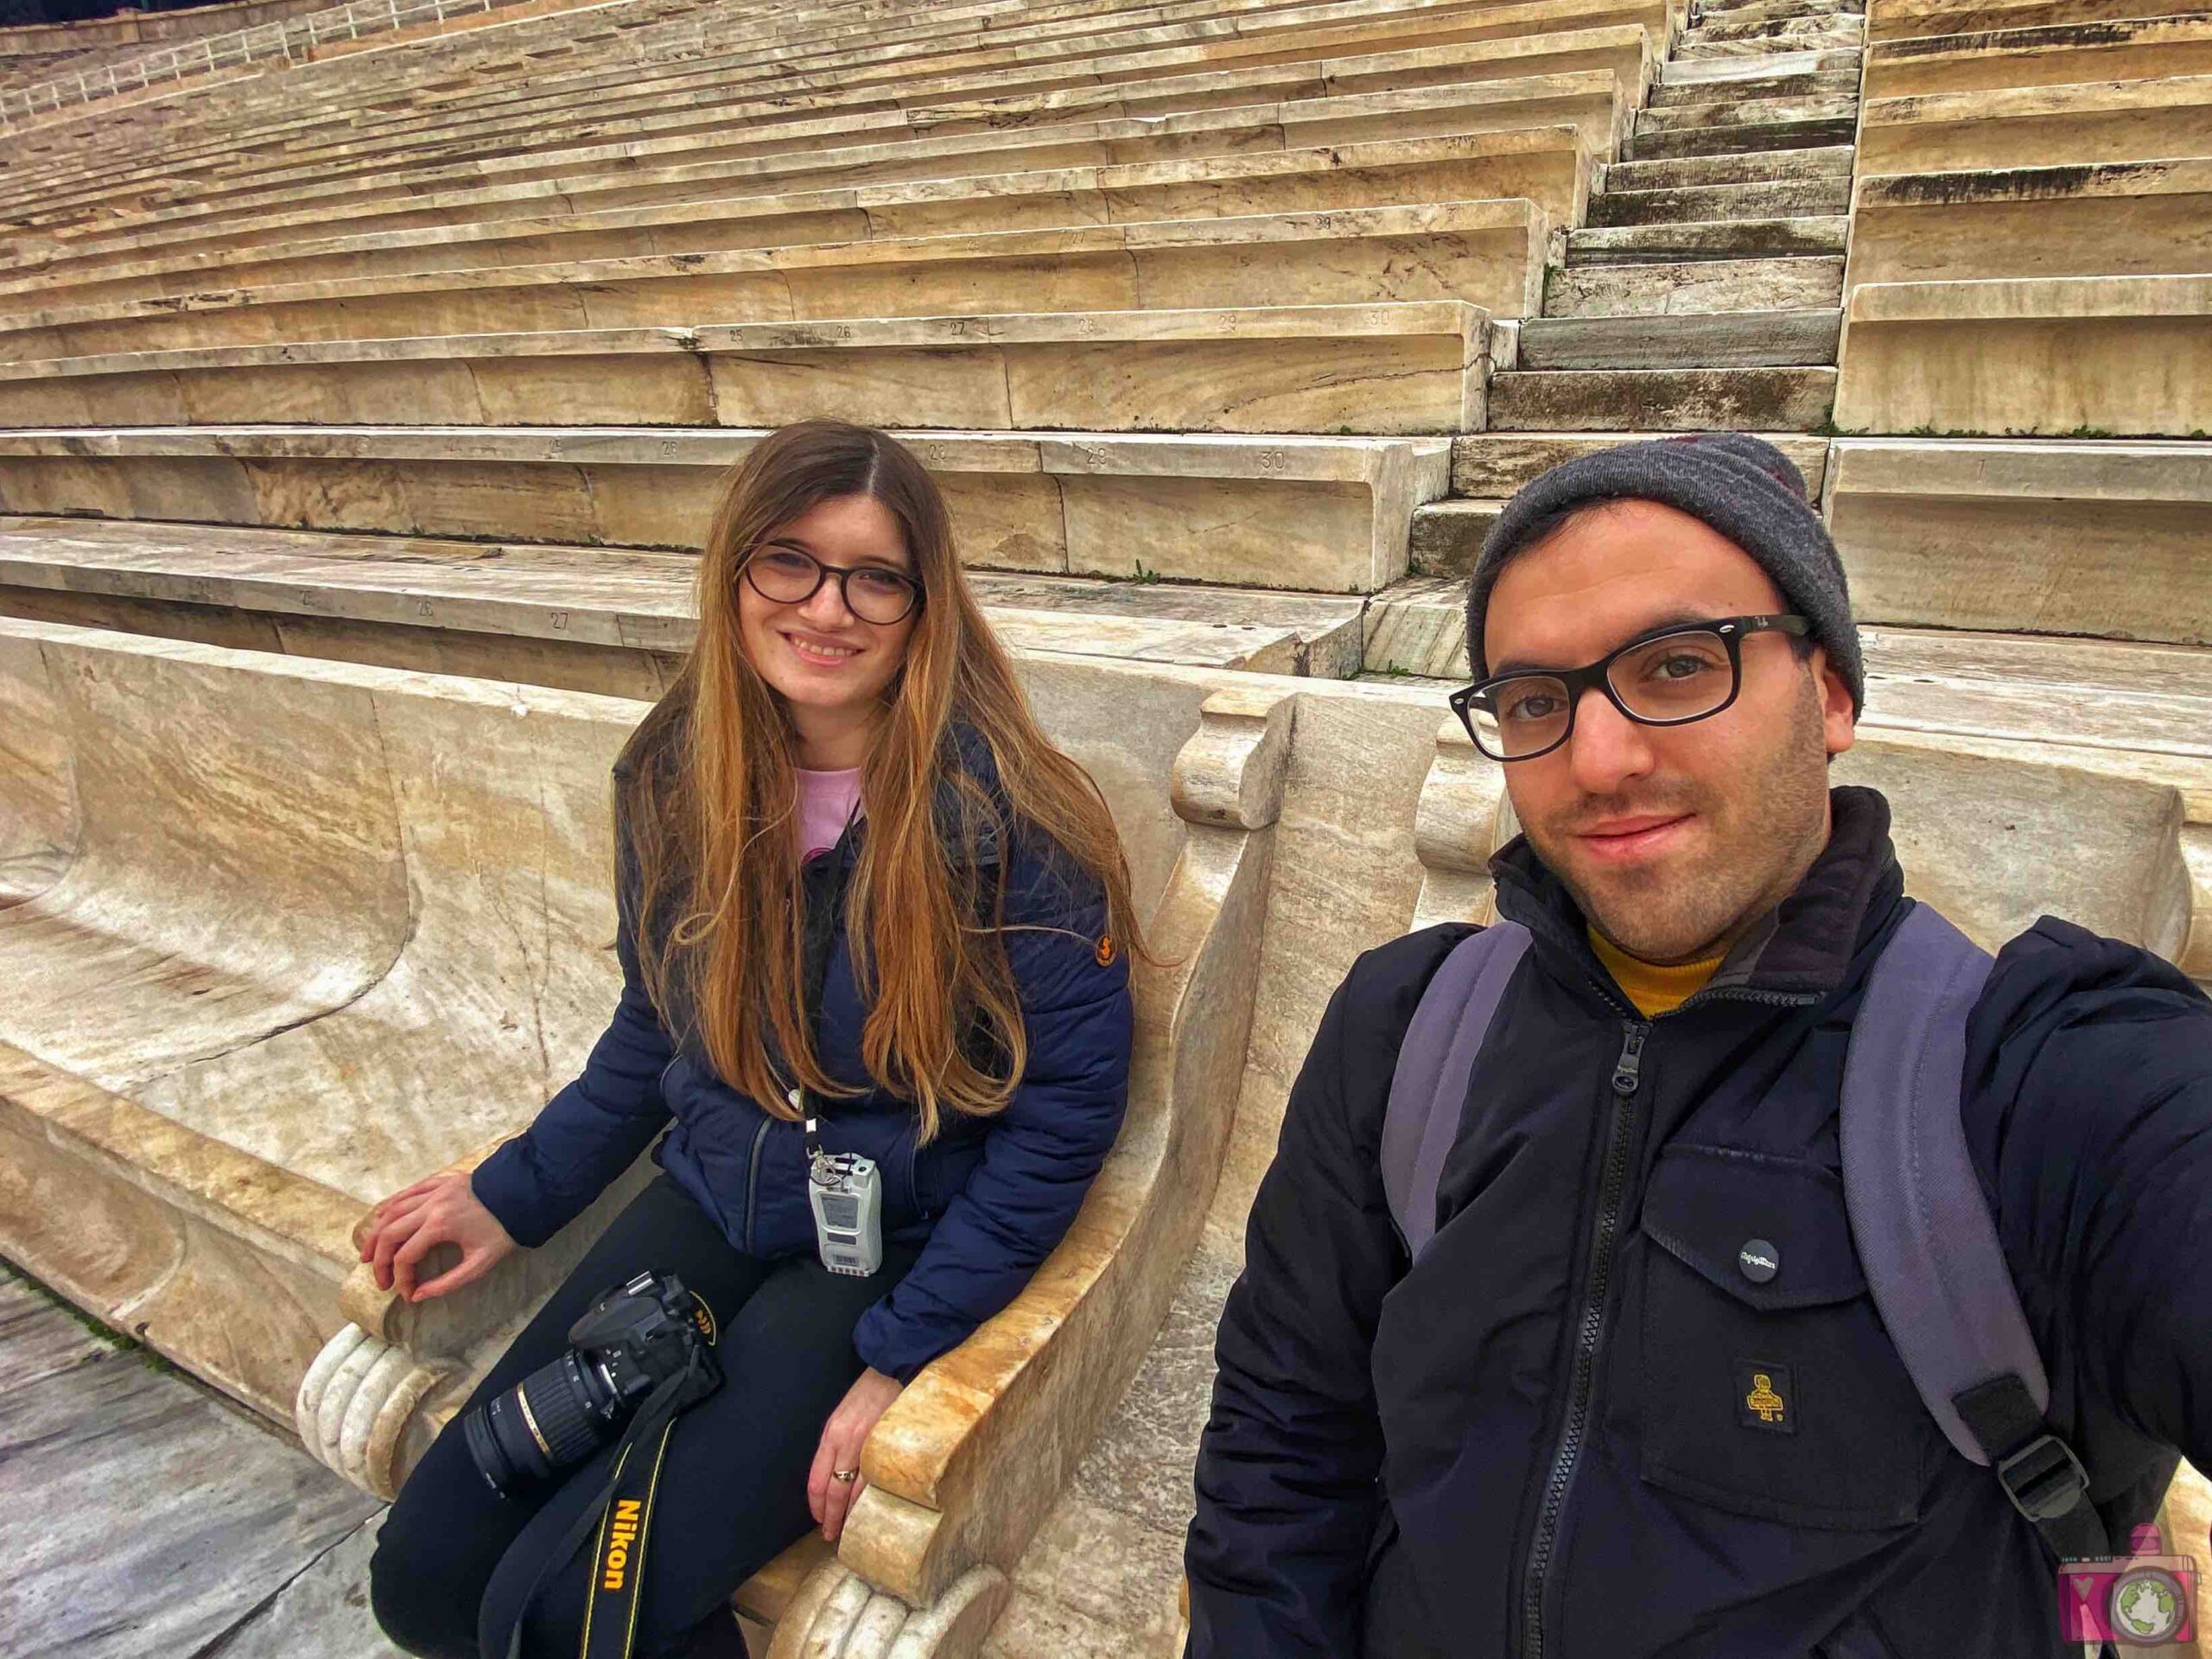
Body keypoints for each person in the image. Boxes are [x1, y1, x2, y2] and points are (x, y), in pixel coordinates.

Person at [1184, 434, 2212, 1657]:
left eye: (1679, 667)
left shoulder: (2034, 1076)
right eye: (1533, 700)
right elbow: (1286, 1435)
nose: (1600, 761)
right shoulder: (1407, 1028)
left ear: (1830, 693)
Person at [364, 421, 1141, 1659]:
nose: (830, 608)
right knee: (423, 1577)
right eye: (791, 561)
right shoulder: (674, 772)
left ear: (924, 605)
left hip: (880, 1247)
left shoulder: (1010, 820)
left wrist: (904, 1358)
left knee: (576, 1618)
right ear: (734, 572)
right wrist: (511, 1195)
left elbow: (1065, 1122)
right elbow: (651, 1029)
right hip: (714, 1193)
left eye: (876, 576)